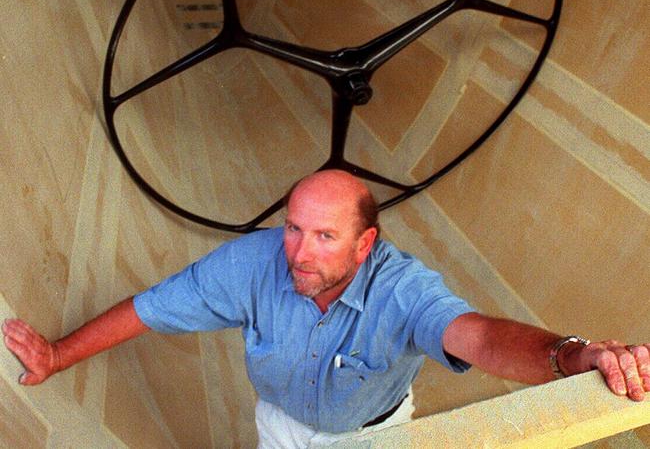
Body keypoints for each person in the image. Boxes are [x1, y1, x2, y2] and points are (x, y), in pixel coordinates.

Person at [3, 169, 649, 447]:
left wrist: (575, 355)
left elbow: (477, 338)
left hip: (375, 432)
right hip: (282, 427)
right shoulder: (256, 263)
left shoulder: (401, 289)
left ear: (366, 244)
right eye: (292, 228)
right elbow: (152, 308)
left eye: (324, 237)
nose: (298, 254)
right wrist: (58, 355)